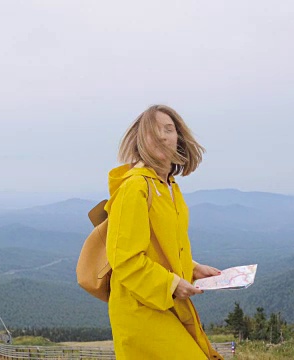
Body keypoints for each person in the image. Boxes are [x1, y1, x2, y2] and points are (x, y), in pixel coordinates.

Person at [105, 105, 224, 359]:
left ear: (178, 137)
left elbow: (159, 245)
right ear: (140, 140)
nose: (162, 136)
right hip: (139, 309)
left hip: (165, 303)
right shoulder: (134, 188)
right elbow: (124, 259)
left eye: (168, 129)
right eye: (153, 131)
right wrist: (170, 283)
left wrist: (191, 267)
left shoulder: (170, 187)